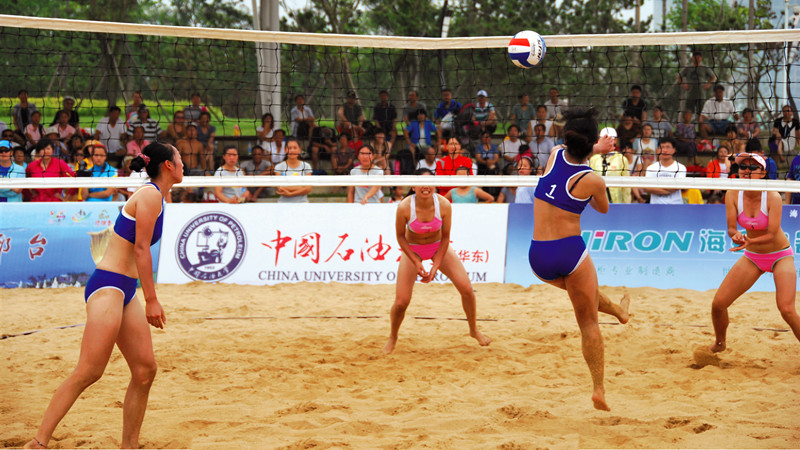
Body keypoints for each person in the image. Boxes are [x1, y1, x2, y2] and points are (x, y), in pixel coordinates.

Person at [23, 142, 182, 450]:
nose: (183, 164)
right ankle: (38, 443)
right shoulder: (150, 195)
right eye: (179, 159)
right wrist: (151, 300)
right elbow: (141, 250)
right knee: (89, 371)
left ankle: (129, 445)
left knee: (145, 370)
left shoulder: (159, 195)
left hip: (124, 288)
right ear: (168, 165)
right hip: (108, 286)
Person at [528, 108, 629, 411]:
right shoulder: (593, 179)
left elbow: (570, 147)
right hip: (569, 252)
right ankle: (598, 388)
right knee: (588, 323)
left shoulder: (553, 155)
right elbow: (603, 209)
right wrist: (597, 156)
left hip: (538, 257)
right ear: (591, 143)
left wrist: (594, 147)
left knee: (585, 296)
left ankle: (620, 312)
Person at [383, 167, 491, 354]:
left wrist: (436, 265)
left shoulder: (444, 205)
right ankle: (393, 336)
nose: (426, 187)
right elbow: (400, 237)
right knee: (401, 302)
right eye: (421, 183)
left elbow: (446, 237)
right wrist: (416, 262)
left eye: (429, 182)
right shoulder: (404, 207)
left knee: (467, 289)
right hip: (413, 249)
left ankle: (474, 330)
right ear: (413, 187)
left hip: (437, 246)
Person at [708, 152, 799, 355]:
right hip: (753, 257)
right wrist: (736, 236)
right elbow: (731, 228)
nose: (746, 171)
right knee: (718, 304)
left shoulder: (773, 196)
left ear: (763, 173)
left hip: (780, 255)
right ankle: (720, 344)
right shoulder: (733, 194)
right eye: (743, 167)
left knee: (787, 309)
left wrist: (749, 241)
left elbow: (772, 233)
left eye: (752, 167)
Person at [644, 137, 687, 204]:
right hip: (656, 206)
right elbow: (647, 188)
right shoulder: (651, 168)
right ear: (658, 150)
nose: (665, 150)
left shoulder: (680, 167)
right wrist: (670, 189)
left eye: (668, 147)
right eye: (662, 147)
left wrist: (657, 188)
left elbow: (678, 186)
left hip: (676, 205)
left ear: (674, 150)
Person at [678, 50, 717, 115]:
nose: (697, 59)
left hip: (701, 95)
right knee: (688, 112)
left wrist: (708, 85)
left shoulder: (704, 68)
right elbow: (679, 76)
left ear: (701, 58)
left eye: (698, 57)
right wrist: (684, 85)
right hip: (690, 94)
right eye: (695, 57)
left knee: (701, 113)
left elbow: (713, 77)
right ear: (692, 58)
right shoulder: (688, 68)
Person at [274, 138, 313, 203]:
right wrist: (301, 187)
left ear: (300, 150)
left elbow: (308, 189)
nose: (292, 150)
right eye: (289, 148)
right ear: (285, 150)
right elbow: (280, 188)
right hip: (283, 203)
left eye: (295, 148)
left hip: (302, 203)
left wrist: (290, 193)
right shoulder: (279, 167)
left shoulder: (306, 166)